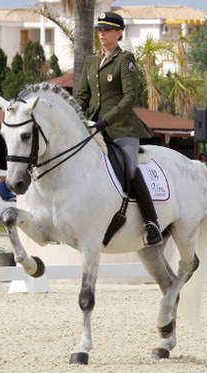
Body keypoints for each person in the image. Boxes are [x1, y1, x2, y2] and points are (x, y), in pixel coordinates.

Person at [75, 11, 162, 246]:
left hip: (121, 128)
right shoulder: (91, 61)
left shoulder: (126, 60)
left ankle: (151, 223)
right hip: (93, 127)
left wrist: (107, 120)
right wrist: (76, 117)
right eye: (100, 29)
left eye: (108, 29)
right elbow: (82, 97)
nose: (102, 33)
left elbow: (129, 98)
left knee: (130, 168)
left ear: (119, 33)